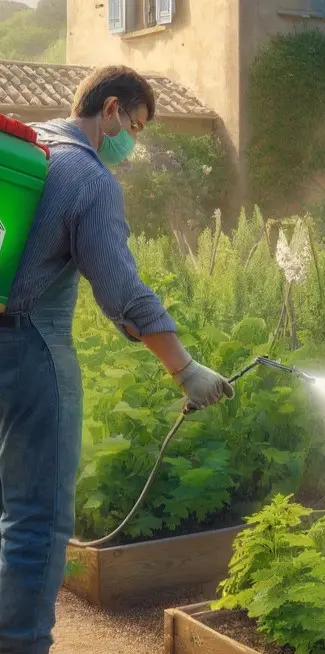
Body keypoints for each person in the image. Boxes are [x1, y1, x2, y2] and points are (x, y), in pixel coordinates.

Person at [0, 66, 234, 653]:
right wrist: (185, 368)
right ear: (109, 109)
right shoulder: (87, 176)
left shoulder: (28, 148)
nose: (134, 141)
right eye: (135, 126)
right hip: (31, 350)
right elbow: (122, 292)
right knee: (36, 520)